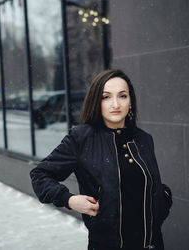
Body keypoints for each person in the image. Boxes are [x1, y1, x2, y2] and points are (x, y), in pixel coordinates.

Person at [30, 69, 172, 250]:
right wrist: (69, 199)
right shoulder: (82, 138)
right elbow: (40, 174)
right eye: (106, 97)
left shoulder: (143, 139)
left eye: (122, 96)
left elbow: (147, 183)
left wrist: (164, 197)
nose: (115, 104)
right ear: (96, 101)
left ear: (130, 101)